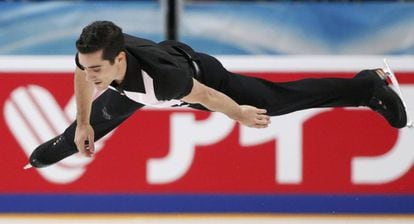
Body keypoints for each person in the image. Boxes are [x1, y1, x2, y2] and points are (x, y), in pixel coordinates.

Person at [28, 21, 408, 168]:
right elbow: (81, 72)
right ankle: (49, 152)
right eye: (87, 65)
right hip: (138, 84)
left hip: (203, 76)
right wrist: (81, 123)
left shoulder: (164, 82)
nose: (89, 73)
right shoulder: (93, 57)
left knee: (277, 100)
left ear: (119, 59)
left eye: (98, 69)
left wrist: (240, 113)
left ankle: (367, 86)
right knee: (82, 133)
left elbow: (206, 96)